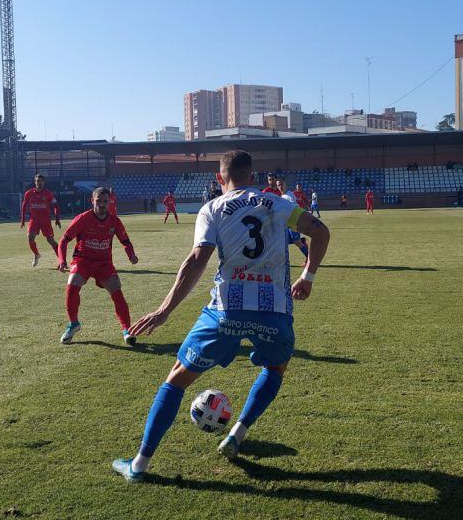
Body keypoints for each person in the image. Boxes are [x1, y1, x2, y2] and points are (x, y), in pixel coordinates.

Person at [111, 150, 330, 481]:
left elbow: (197, 260)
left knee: (177, 378)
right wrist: (308, 277)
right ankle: (237, 433)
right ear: (253, 177)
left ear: (219, 178)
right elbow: (321, 231)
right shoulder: (280, 204)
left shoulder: (211, 208)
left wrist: (163, 311)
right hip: (275, 309)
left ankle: (139, 465)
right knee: (275, 368)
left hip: (226, 310)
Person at [56, 187, 140, 345]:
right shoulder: (83, 218)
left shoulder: (114, 221)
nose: (102, 204)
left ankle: (127, 330)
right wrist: (62, 260)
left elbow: (125, 242)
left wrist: (131, 255)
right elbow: (64, 240)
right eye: (98, 201)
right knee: (72, 285)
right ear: (92, 201)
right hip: (83, 261)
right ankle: (73, 324)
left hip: (104, 264)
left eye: (105, 201)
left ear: (109, 202)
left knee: (117, 290)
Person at [20, 174, 62, 267]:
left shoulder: (48, 194)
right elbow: (24, 205)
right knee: (30, 237)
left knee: (50, 240)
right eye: (38, 181)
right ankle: (36, 255)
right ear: (35, 182)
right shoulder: (29, 193)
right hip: (34, 220)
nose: (39, 183)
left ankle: (61, 260)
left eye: (41, 181)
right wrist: (22, 219)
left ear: (44, 182)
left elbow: (56, 206)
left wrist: (57, 219)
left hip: (45, 221)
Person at [277, 179, 309, 262]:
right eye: (278, 185)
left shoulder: (289, 195)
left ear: (285, 185)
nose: (280, 187)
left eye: (281, 184)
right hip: (287, 223)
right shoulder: (282, 196)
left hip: (293, 222)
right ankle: (302, 242)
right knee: (285, 240)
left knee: (296, 242)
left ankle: (309, 259)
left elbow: (294, 208)